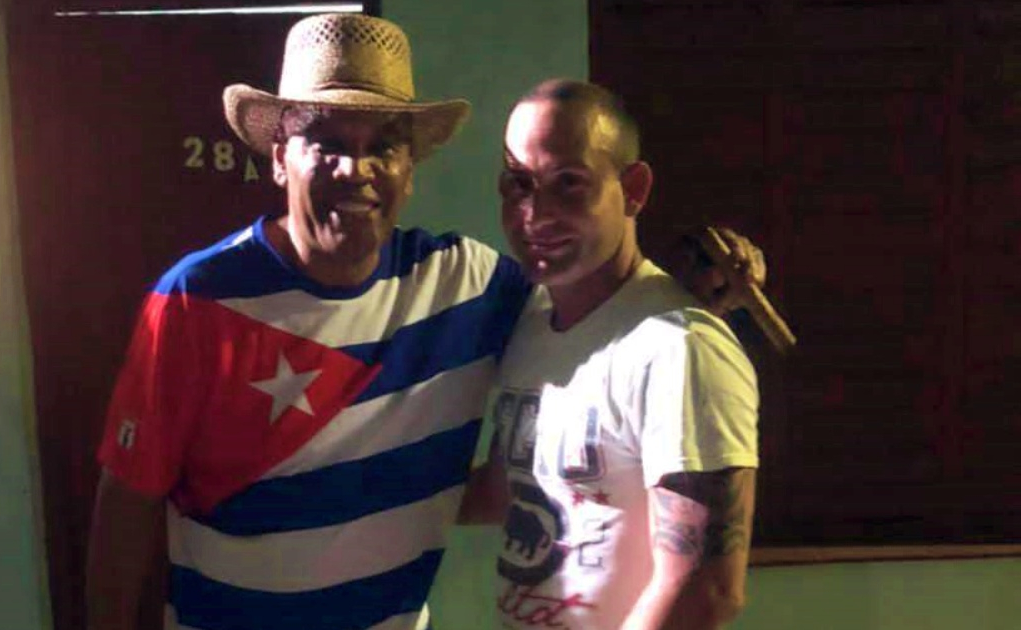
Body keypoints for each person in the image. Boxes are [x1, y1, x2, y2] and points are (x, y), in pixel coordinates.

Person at [85, 14, 763, 630]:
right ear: (279, 157)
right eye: (326, 142)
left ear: (411, 170)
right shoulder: (196, 298)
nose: (356, 169)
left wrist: (694, 280)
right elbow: (126, 505)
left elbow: (604, 312)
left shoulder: (471, 285)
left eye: (384, 146)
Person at [463, 79, 759, 630]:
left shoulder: (680, 345)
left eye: (569, 183)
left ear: (634, 189)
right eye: (519, 183)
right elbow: (510, 488)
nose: (536, 212)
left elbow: (707, 590)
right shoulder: (532, 322)